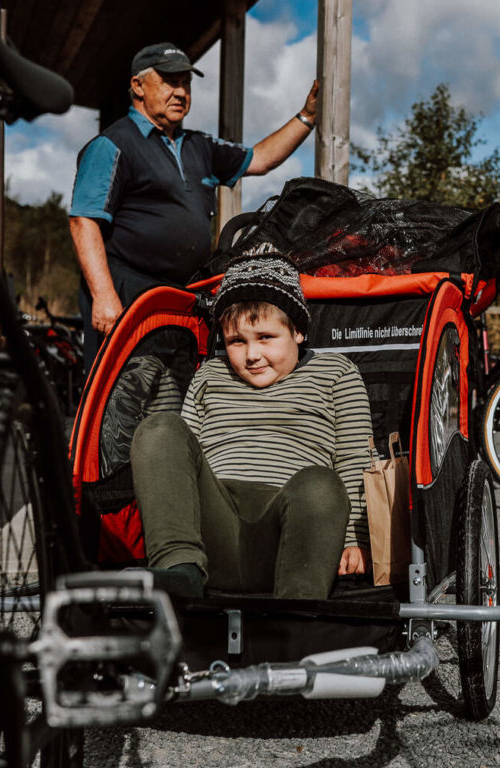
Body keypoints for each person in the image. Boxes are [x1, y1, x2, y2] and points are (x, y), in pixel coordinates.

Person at [128, 249, 372, 599]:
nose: (252, 354)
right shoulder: (211, 374)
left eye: (266, 338)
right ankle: (178, 568)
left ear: (298, 332)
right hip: (214, 530)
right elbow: (182, 462)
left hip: (292, 534)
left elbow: (353, 460)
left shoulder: (336, 374)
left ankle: (297, 609)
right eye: (236, 341)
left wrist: (355, 539)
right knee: (159, 429)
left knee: (321, 485)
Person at [68, 42, 320, 371]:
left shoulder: (199, 145)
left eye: (186, 83)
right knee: (125, 400)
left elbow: (260, 159)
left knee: (175, 400)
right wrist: (103, 296)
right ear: (138, 86)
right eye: (169, 81)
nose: (180, 92)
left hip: (184, 298)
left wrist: (307, 117)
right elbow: (83, 221)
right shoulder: (112, 144)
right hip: (128, 296)